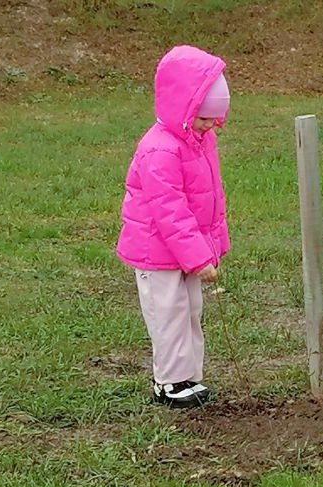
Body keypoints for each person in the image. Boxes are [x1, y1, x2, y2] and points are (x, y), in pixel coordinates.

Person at [116, 45, 232, 408]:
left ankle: (188, 376)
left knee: (190, 310)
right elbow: (170, 210)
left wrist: (212, 246)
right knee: (168, 314)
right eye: (203, 118)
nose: (210, 126)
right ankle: (168, 382)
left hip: (183, 251)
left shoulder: (201, 141)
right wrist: (198, 257)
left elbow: (210, 197)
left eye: (214, 119)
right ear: (182, 106)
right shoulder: (159, 150)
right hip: (156, 251)